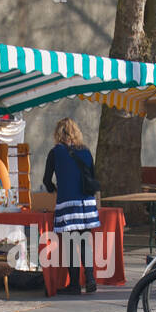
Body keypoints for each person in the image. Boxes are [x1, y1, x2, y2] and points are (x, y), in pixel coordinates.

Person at [42, 117, 100, 294]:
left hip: (67, 203)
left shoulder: (55, 152)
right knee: (84, 243)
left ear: (58, 133)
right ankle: (90, 279)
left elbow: (46, 180)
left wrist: (55, 189)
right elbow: (92, 175)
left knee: (70, 244)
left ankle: (74, 284)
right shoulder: (86, 151)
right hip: (86, 203)